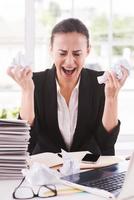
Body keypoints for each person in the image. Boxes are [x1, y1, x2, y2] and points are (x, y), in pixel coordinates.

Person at [7, 18, 128, 155]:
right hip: (45, 173)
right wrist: (27, 91)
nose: (70, 61)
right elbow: (27, 142)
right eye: (62, 53)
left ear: (87, 51)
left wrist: (112, 97)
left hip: (90, 173)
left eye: (77, 53)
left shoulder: (101, 83)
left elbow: (106, 143)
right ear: (51, 50)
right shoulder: (34, 82)